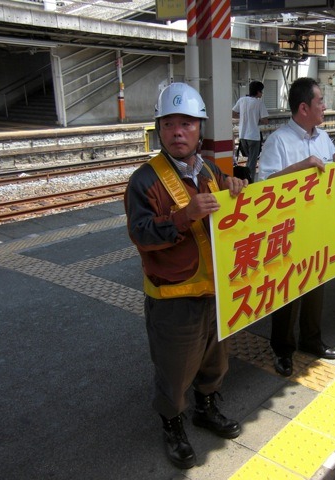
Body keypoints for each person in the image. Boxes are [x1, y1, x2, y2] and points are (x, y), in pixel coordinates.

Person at [124, 83, 246, 469]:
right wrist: (184, 216)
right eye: (170, 124)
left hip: (215, 291)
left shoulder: (209, 170)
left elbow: (230, 207)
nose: (179, 131)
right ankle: (172, 424)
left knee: (215, 360)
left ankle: (206, 407)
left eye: (187, 124)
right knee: (175, 370)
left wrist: (236, 187)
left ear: (200, 130)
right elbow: (142, 235)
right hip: (174, 298)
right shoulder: (144, 180)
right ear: (159, 129)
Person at [258, 77, 335, 377]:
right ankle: (282, 349)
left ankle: (312, 340)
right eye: (321, 101)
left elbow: (330, 174)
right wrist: (300, 166)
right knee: (287, 293)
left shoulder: (322, 138)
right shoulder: (278, 141)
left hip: (317, 227)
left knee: (316, 284)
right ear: (304, 107)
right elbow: (264, 187)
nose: (325, 106)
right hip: (289, 231)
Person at [232, 80, 269, 182]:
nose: (262, 93)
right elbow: (265, 120)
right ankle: (249, 182)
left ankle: (244, 178)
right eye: (261, 91)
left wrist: (244, 117)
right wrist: (257, 119)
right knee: (252, 163)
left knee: (248, 160)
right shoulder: (259, 103)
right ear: (258, 92)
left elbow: (233, 113)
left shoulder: (242, 100)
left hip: (243, 135)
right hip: (254, 136)